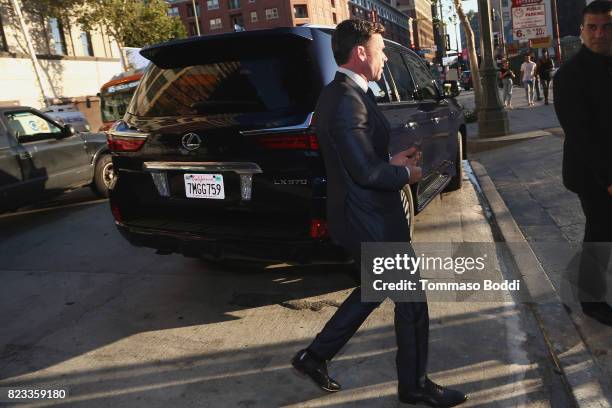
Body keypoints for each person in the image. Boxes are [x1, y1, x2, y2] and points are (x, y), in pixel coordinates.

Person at [290, 20, 468, 407]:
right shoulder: (345, 101)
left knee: (373, 292)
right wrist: (408, 173)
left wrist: (391, 159)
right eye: (381, 49)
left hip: (362, 211)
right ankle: (415, 386)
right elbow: (366, 173)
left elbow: (360, 161)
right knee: (413, 302)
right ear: (360, 53)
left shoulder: (346, 94)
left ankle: (314, 357)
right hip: (368, 218)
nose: (385, 57)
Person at [553, 0, 612, 326]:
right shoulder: (569, 76)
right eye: (593, 27)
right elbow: (582, 136)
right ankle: (591, 300)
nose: (599, 33)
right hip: (591, 173)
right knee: (601, 230)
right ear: (582, 31)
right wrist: (608, 178)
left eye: (606, 26)